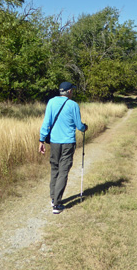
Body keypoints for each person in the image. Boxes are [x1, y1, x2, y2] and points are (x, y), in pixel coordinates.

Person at [39, 81, 88, 214]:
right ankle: (57, 204)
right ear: (68, 92)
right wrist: (85, 127)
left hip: (54, 142)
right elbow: (79, 126)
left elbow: (46, 122)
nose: (72, 92)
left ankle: (53, 197)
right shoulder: (73, 105)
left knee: (55, 169)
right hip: (68, 143)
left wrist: (41, 140)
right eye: (72, 90)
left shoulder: (51, 102)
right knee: (63, 171)